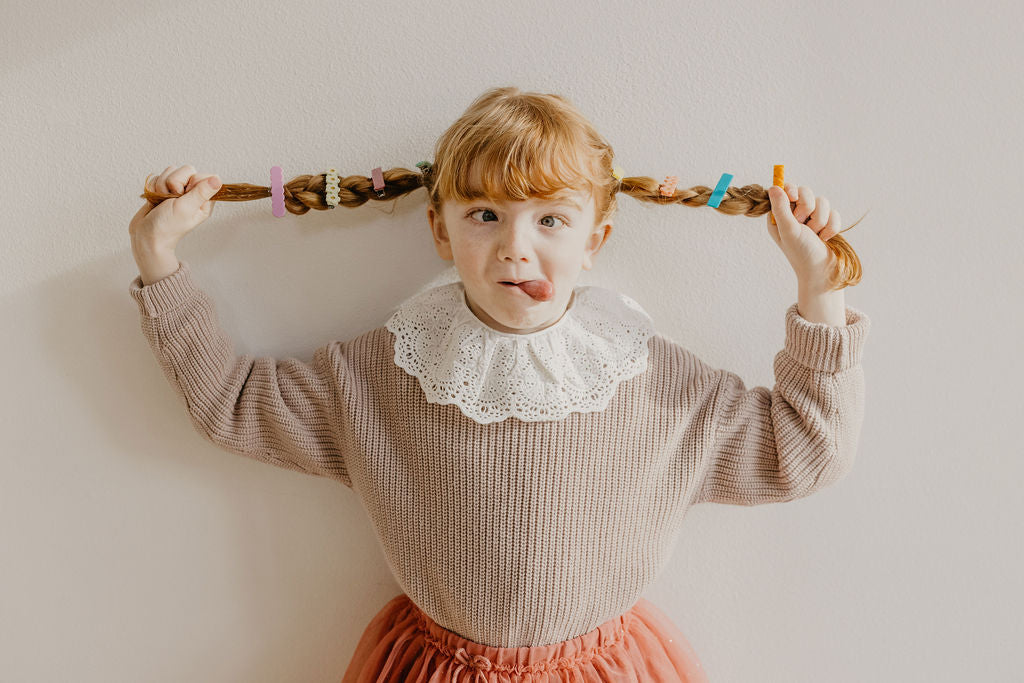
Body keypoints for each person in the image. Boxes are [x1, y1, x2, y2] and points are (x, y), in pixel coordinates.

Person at [127, 87, 870, 681]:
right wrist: (159, 258)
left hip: (607, 669)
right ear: (442, 231)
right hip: (434, 669)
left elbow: (802, 449)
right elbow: (232, 403)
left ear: (594, 242)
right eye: (486, 215)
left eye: (551, 219)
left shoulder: (651, 377)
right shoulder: (383, 370)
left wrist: (818, 283)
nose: (518, 248)